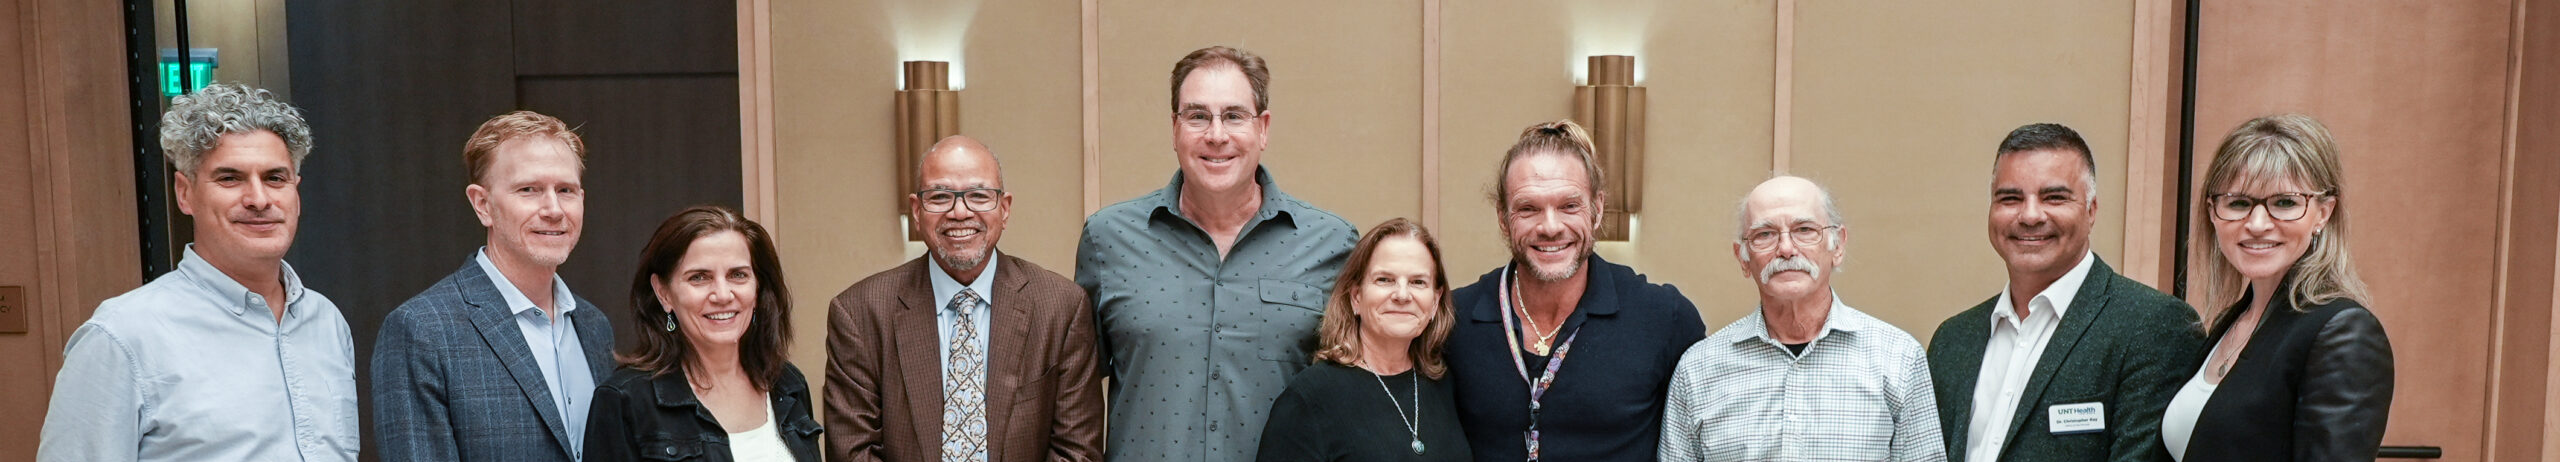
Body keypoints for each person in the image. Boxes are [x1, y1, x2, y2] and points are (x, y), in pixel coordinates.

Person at [36, 83, 358, 461]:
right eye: (229, 178)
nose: (258, 199)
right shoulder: (122, 336)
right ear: (184, 193)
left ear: (295, 192)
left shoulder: (325, 323)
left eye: (274, 178)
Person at [1074, 45, 1360, 461]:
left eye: (1233, 115)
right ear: (1174, 128)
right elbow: (1070, 396)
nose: (1216, 134)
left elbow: (1360, 392)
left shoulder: (1332, 243)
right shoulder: (1107, 240)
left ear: (1263, 128)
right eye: (1197, 115)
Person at [1928, 123, 2206, 462]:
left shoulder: (2154, 326)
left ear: (2090, 211)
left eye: (2054, 197)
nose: (2030, 215)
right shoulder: (1953, 339)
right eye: (2010, 198)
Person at [827, 136, 1105, 461]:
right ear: (917, 211)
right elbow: (853, 453)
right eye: (941, 196)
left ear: (1005, 209)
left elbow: (1077, 452)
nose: (960, 212)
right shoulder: (860, 314)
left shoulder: (1060, 308)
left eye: (978, 195)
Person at [1445, 119, 1707, 461]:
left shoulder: (1662, 317)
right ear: (1503, 218)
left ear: (1597, 209)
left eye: (1569, 206)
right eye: (1529, 209)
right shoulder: (1453, 319)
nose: (1550, 227)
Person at [375, 111, 616, 461]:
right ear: (482, 205)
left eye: (565, 190)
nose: (553, 209)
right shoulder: (421, 330)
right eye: (529, 190)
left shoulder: (594, 327)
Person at [1660, 176, 1943, 461]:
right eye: (1765, 234)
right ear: (1743, 258)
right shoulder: (1698, 370)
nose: (1785, 249)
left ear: (1838, 245)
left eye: (1804, 229)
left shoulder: (1898, 359)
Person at [2160, 114, 2392, 461]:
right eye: (2238, 203)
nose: (2256, 224)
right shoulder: (2233, 320)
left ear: (2324, 213)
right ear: (2212, 211)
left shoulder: (2344, 333)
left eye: (2285, 203)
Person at [584, 205, 821, 461]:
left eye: (738, 275)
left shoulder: (787, 383)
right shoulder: (625, 400)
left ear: (758, 288)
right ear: (664, 293)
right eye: (699, 277)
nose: (722, 295)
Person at [1257, 218, 1473, 461]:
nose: (1402, 295)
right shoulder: (1310, 399)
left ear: (1435, 301)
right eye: (1384, 279)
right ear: (1356, 297)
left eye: (1417, 282)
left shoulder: (1444, 384)